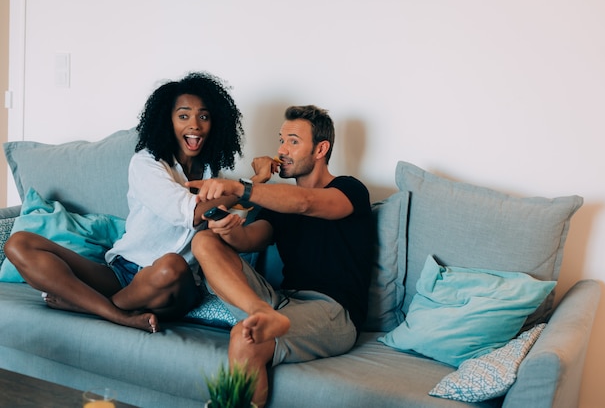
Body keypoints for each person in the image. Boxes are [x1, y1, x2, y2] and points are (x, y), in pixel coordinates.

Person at [3, 71, 244, 333]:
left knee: (172, 265)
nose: (195, 124)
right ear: (167, 121)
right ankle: (118, 315)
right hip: (123, 272)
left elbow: (227, 223)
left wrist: (243, 191)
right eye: (183, 116)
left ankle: (87, 307)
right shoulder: (146, 163)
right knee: (19, 243)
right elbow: (189, 212)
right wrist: (242, 189)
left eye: (204, 116)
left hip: (173, 287)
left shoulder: (214, 176)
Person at [188, 105, 375, 407]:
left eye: (293, 141)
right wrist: (225, 228)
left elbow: (305, 202)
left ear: (321, 149)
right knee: (205, 242)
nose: (281, 149)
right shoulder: (279, 205)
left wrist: (241, 187)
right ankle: (260, 311)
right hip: (279, 302)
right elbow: (247, 240)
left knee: (246, 339)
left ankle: (262, 317)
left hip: (333, 312)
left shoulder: (350, 190)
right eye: (281, 140)